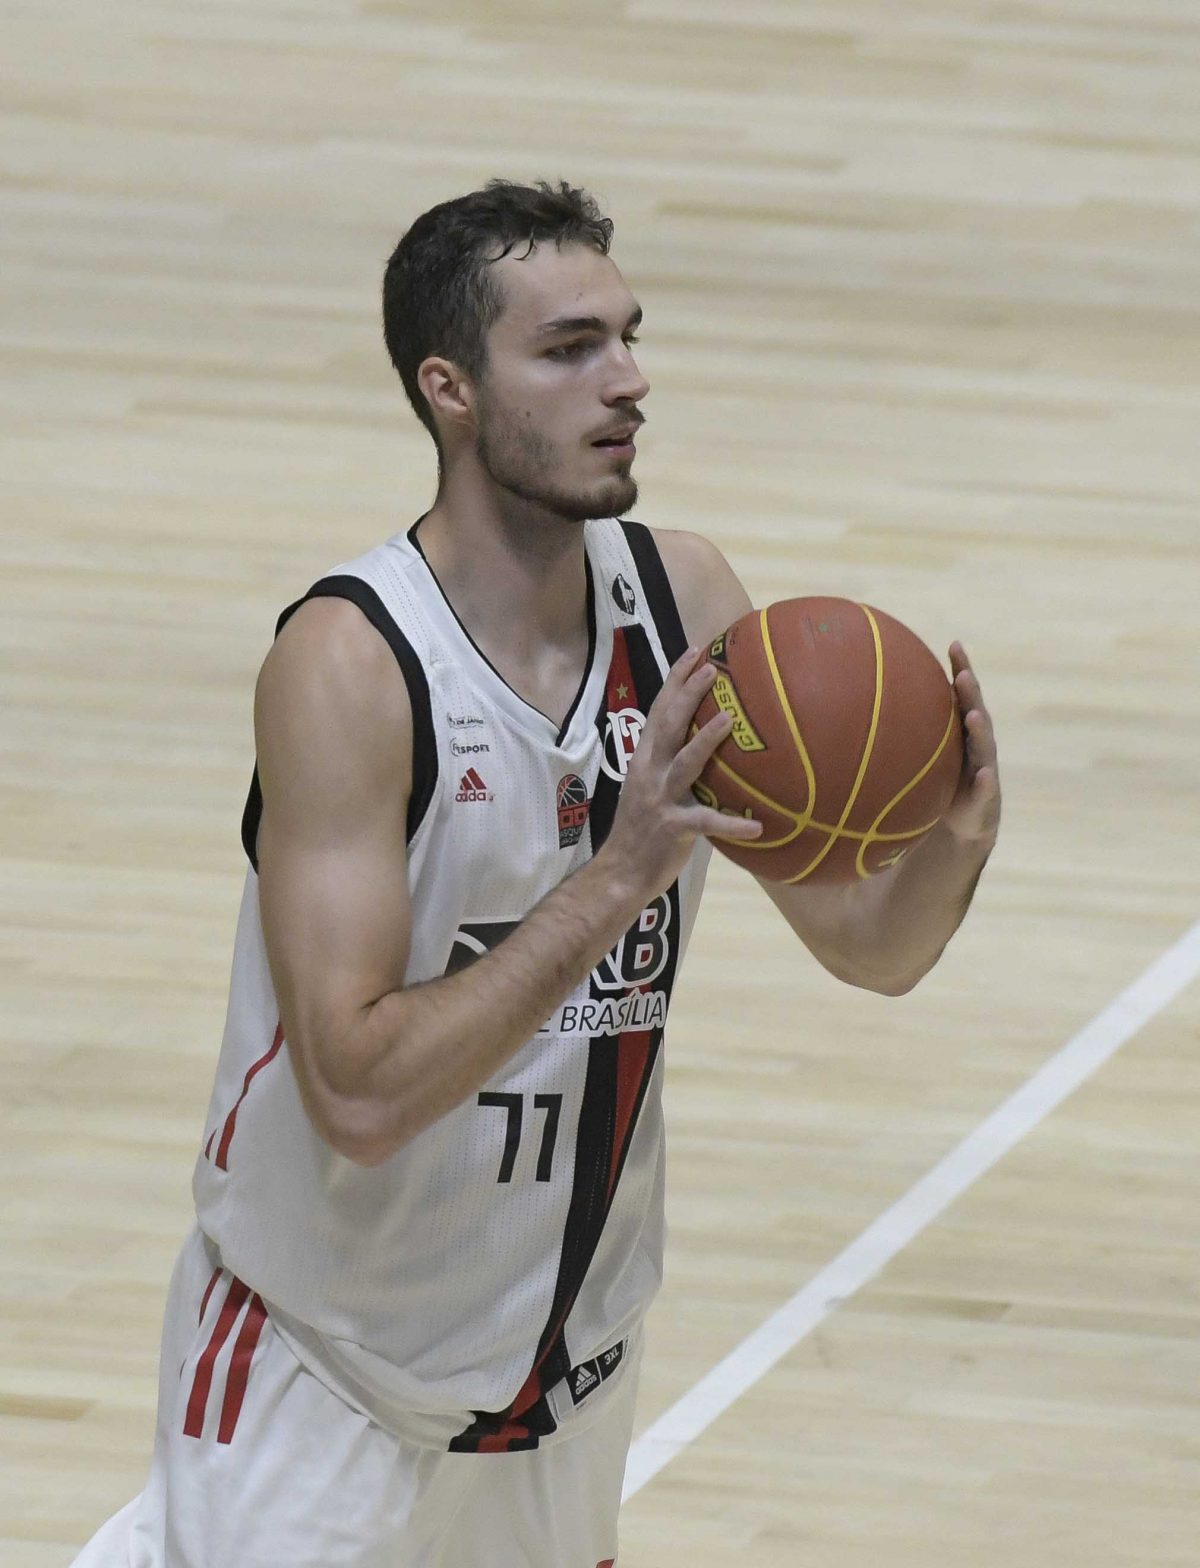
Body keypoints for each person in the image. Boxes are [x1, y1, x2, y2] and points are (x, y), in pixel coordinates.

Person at [69, 178, 1000, 1568]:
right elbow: (359, 1093)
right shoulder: (350, 665)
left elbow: (872, 946)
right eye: (569, 350)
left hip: (564, 1392)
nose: (627, 381)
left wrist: (955, 841)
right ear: (448, 389)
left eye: (627, 338)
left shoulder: (686, 605)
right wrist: (616, 879)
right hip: (321, 1385)